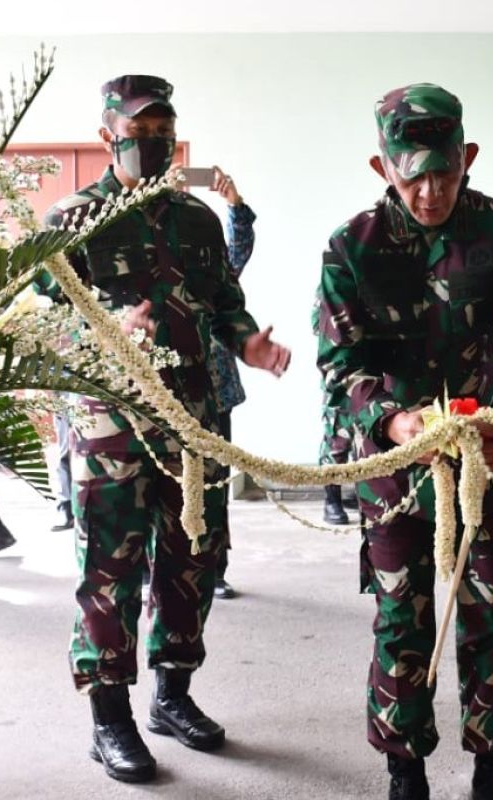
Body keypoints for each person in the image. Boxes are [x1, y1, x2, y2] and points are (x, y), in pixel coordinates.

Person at [41, 74, 292, 785]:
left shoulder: (197, 219)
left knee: (194, 561)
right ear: (106, 135)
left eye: (161, 130)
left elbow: (223, 303)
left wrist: (252, 345)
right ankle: (109, 716)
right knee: (110, 571)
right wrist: (104, 333)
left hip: (194, 423)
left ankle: (172, 695)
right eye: (136, 129)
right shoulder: (72, 221)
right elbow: (40, 322)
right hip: (111, 428)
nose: (149, 141)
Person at [315, 83, 493, 800]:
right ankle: (404, 767)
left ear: (469, 158)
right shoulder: (350, 247)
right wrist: (393, 421)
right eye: (411, 173)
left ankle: (492, 767)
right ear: (380, 165)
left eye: (443, 173)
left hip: (491, 460)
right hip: (395, 468)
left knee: (491, 612)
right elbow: (340, 369)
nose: (428, 191)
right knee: (401, 617)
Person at [201, 165, 258, 599]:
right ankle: (152, 567)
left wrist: (234, 204)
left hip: (213, 387)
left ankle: (215, 567)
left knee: (215, 482)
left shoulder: (206, 258)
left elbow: (236, 251)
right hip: (157, 390)